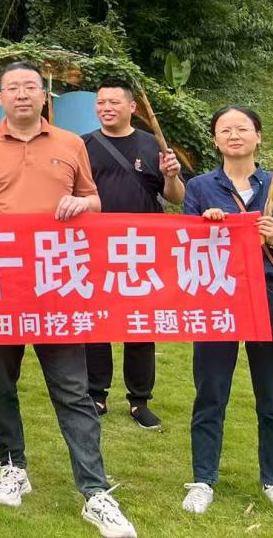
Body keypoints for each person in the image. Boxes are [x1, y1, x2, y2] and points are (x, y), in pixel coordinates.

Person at [0, 62, 136, 538]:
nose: (22, 94)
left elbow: (94, 200)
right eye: (13, 88)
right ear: (2, 99)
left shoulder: (71, 144)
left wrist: (83, 203)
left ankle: (94, 491)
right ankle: (12, 467)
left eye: (30, 86)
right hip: (2, 289)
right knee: (0, 384)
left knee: (72, 389)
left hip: (57, 287)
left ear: (43, 94)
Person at [179, 106, 273, 519]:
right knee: (210, 393)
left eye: (242, 129)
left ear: (258, 136)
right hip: (217, 299)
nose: (234, 135)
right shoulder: (200, 187)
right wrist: (206, 224)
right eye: (225, 130)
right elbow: (183, 243)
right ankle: (202, 480)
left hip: (267, 301)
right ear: (215, 139)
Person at [83, 80, 185, 431]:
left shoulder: (152, 144)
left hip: (142, 250)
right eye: (101, 102)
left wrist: (172, 176)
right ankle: (96, 394)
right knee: (96, 321)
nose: (106, 108)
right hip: (95, 248)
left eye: (114, 102)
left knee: (140, 322)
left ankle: (139, 400)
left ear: (132, 108)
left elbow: (175, 197)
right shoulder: (83, 145)